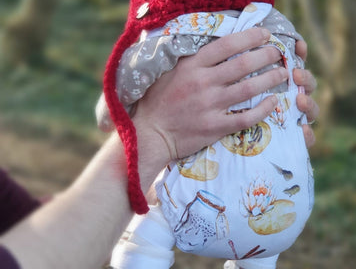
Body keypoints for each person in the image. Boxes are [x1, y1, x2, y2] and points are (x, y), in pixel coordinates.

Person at [97, 0, 315, 269]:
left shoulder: (181, 35)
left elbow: (125, 85)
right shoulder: (283, 35)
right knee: (262, 249)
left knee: (144, 230)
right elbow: (300, 100)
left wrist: (113, 108)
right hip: (284, 210)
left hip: (193, 202)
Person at [0, 28, 318, 269]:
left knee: (143, 241)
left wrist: (281, 128)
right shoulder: (275, 29)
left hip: (216, 199)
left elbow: (34, 230)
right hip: (277, 221)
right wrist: (155, 133)